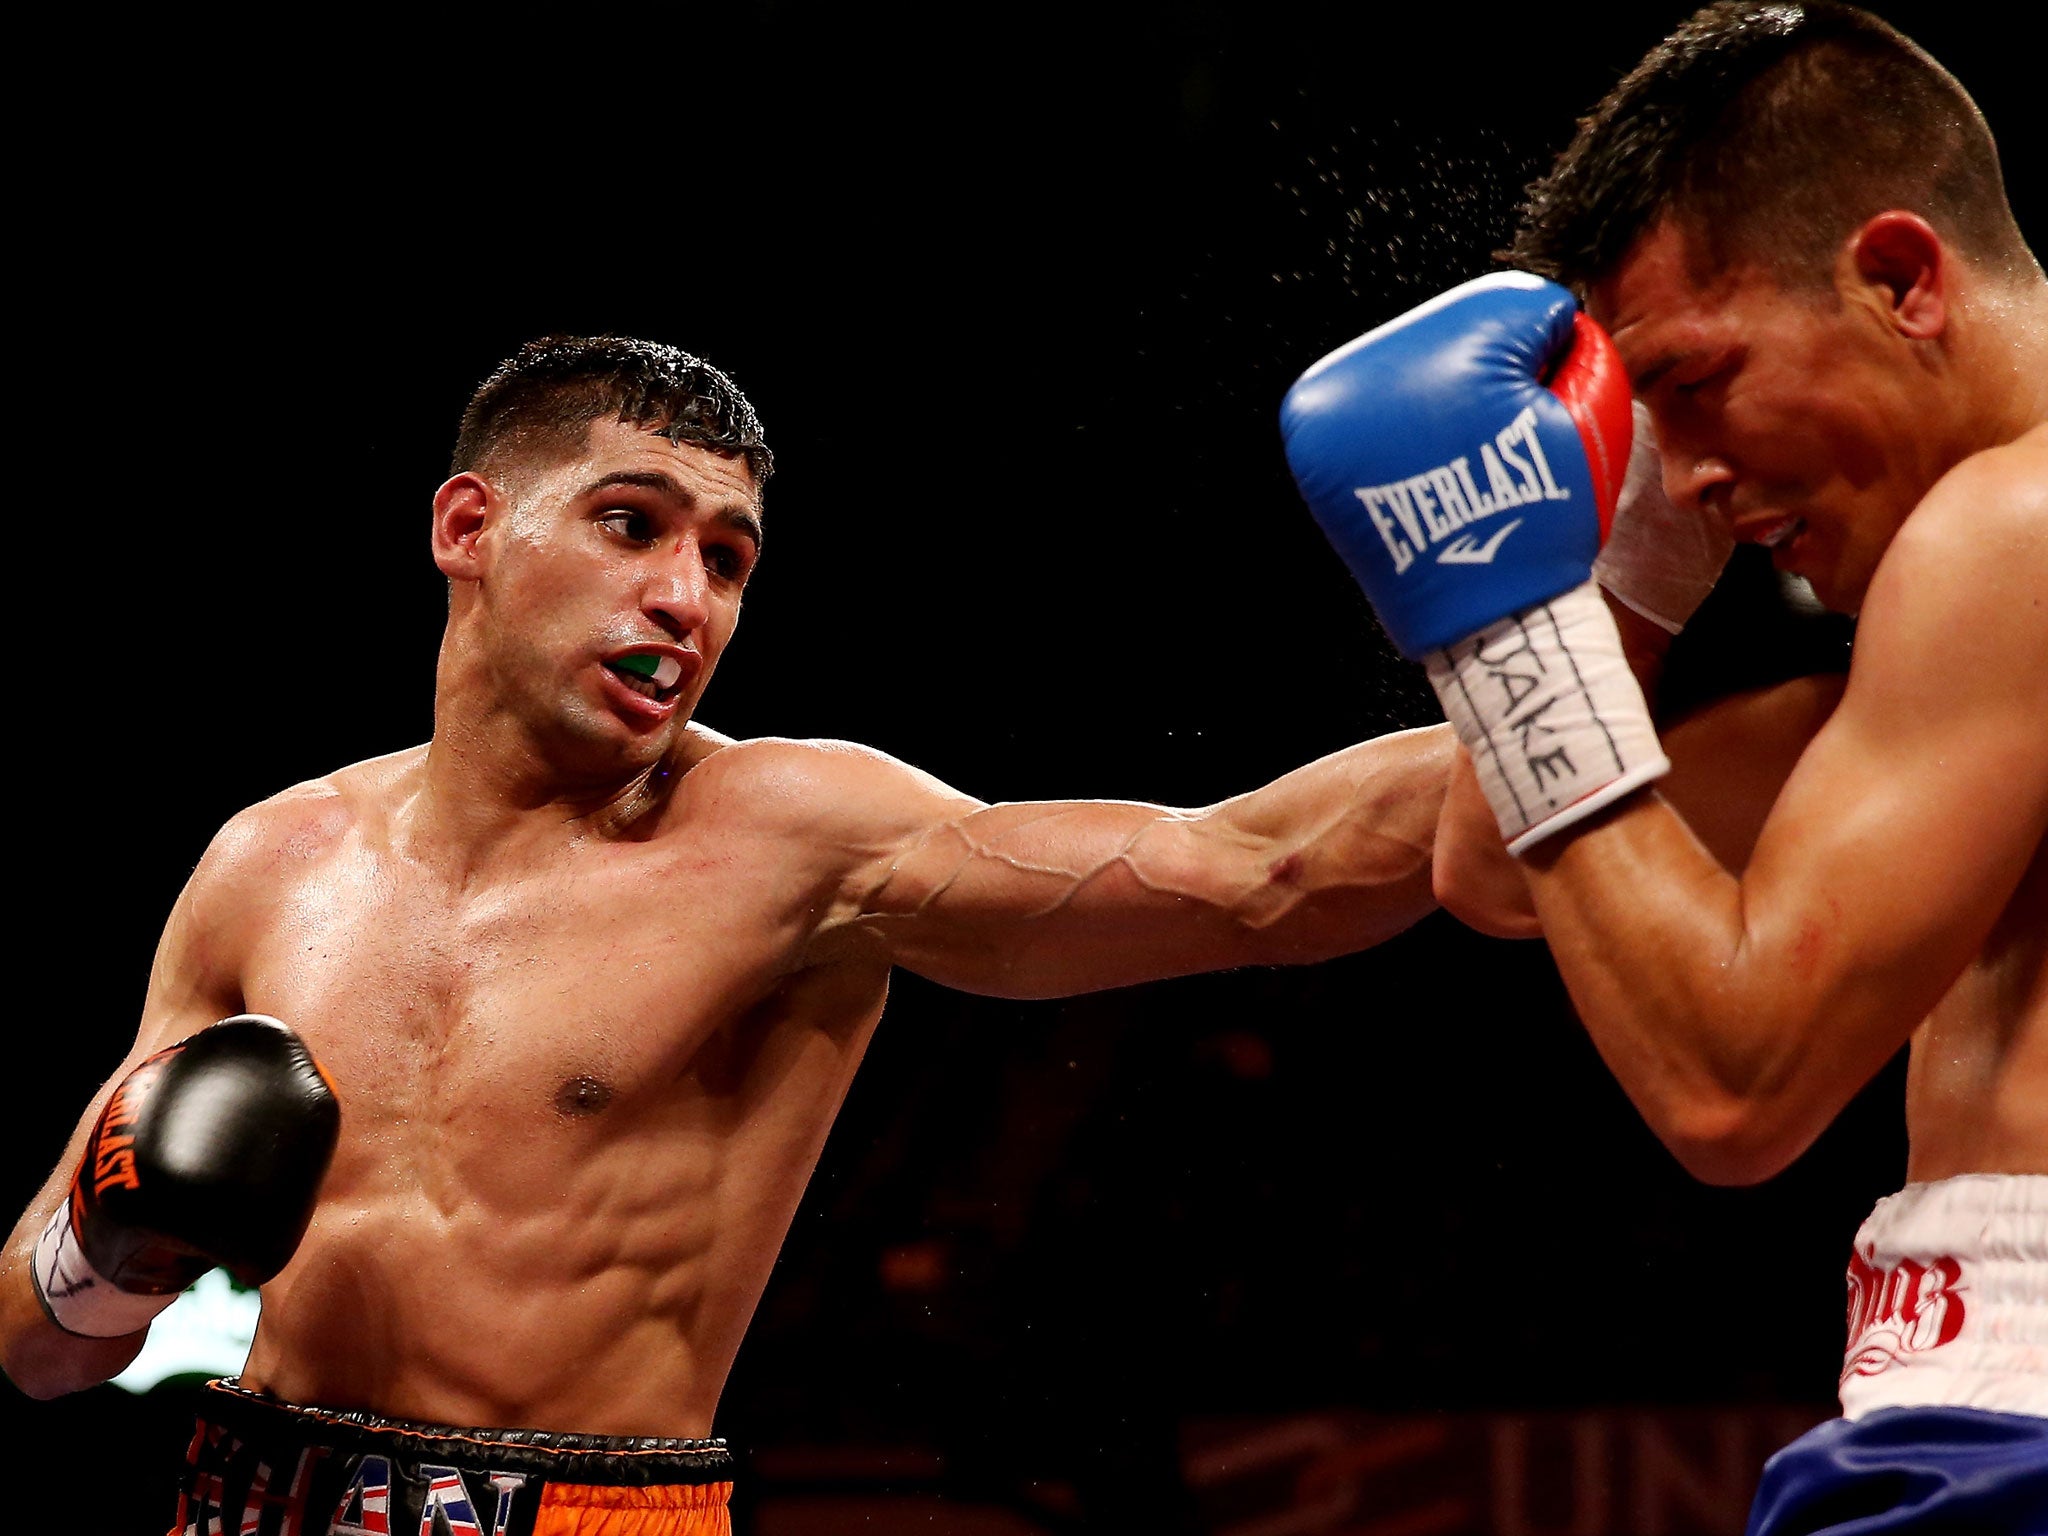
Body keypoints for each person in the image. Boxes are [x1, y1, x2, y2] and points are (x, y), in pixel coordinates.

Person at [0, 332, 1472, 1534]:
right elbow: (42, 1346)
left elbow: (1253, 871)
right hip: (248, 1502)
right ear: (469, 530)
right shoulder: (269, 863)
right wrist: (115, 1252)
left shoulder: (794, 841)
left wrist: (1564, 686)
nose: (684, 597)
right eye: (631, 524)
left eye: (727, 560)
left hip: (591, 1515)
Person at [1280, 4, 2045, 1532]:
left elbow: (1732, 1080)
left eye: (1693, 379)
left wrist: (1509, 620)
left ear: (1900, 279)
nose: (1679, 463)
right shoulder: (1944, 660)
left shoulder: (2012, 531)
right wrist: (1627, 551)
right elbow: (1496, 869)